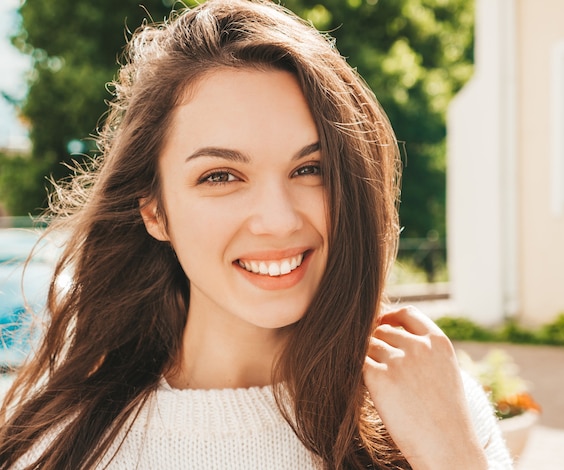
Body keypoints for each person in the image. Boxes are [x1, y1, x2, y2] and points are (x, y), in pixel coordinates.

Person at [0, 1, 513, 468]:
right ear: (154, 212)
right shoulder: (57, 445)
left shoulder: (436, 409)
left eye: (311, 169)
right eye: (220, 176)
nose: (280, 219)